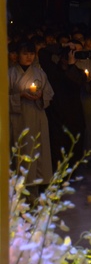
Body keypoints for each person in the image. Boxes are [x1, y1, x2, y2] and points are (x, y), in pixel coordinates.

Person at [9, 40, 55, 187]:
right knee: (22, 150)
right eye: (25, 54)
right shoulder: (10, 73)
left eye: (31, 53)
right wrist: (20, 95)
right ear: (17, 55)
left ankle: (36, 186)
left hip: (37, 115)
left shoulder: (39, 73)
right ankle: (21, 188)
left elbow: (49, 93)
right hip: (19, 117)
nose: (29, 57)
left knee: (37, 150)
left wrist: (41, 95)